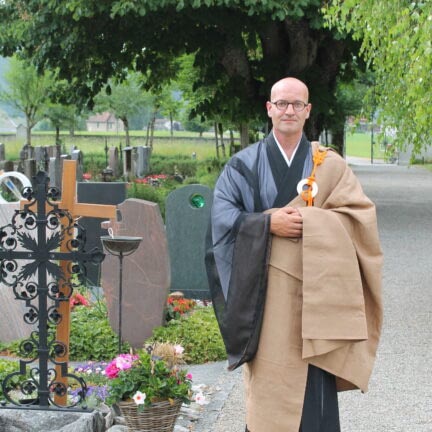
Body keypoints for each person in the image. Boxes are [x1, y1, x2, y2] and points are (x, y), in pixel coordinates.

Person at [205, 77, 383, 432]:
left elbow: (360, 217)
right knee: (271, 378)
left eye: (296, 104)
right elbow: (220, 222)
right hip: (266, 293)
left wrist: (308, 220)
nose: (289, 110)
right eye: (281, 103)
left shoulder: (329, 166)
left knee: (313, 380)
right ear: (269, 109)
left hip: (316, 293)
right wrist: (267, 225)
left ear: (308, 111)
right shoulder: (242, 165)